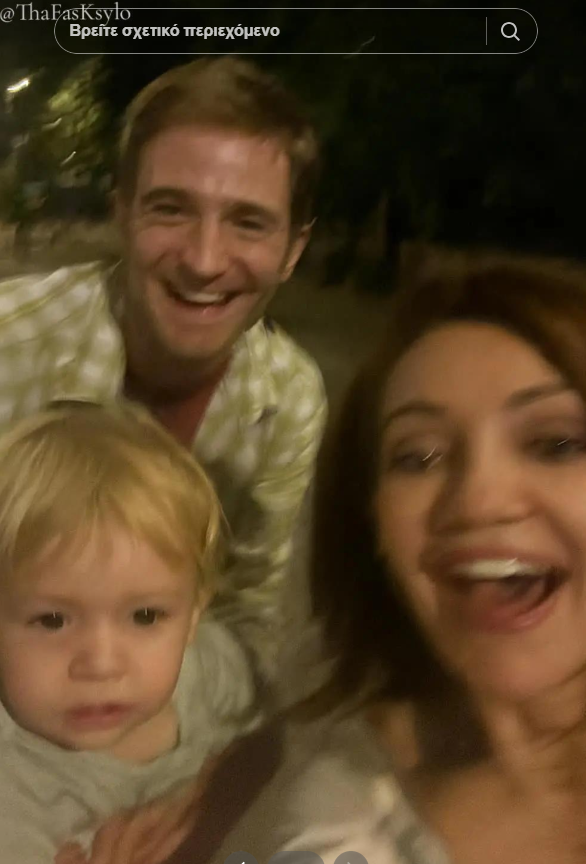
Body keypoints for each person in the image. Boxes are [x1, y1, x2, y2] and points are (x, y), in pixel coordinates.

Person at [0, 56, 326, 692]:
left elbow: (244, 612)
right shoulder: (12, 343)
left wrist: (183, 733)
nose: (204, 260)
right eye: (171, 209)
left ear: (292, 250)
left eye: (248, 222)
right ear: (122, 215)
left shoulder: (288, 398)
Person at [277, 245, 586, 863]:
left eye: (555, 443)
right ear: (372, 525)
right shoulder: (344, 814)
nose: (477, 501)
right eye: (418, 457)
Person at [0, 402, 260, 863]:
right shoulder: (13, 797)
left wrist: (227, 777)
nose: (102, 664)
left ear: (193, 615)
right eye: (52, 620)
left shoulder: (211, 668)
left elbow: (282, 736)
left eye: (144, 616)